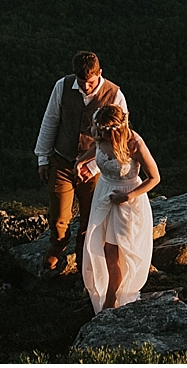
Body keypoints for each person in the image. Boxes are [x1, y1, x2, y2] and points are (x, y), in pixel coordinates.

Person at [34, 51, 127, 271]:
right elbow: (50, 120)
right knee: (58, 214)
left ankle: (84, 256)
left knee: (90, 216)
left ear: (100, 74)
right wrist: (43, 157)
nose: (86, 87)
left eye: (91, 82)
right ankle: (56, 249)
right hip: (62, 159)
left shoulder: (114, 95)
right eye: (81, 82)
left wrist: (92, 166)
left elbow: (118, 138)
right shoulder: (62, 86)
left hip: (96, 167)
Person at [76, 104, 160, 313]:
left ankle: (110, 302)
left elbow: (155, 177)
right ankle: (107, 293)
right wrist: (81, 161)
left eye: (104, 130)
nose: (99, 133)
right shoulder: (100, 134)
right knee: (100, 246)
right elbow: (97, 146)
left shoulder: (134, 144)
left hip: (126, 201)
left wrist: (128, 196)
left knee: (113, 251)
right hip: (103, 192)